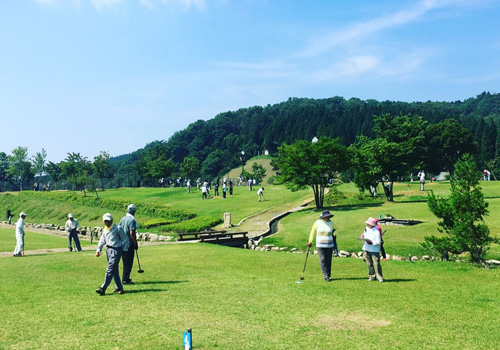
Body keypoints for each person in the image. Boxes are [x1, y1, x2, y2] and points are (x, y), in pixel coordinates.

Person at [95, 213, 129, 295]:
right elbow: (102, 240)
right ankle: (119, 288)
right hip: (108, 250)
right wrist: (98, 249)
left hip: (116, 250)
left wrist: (124, 249)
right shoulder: (105, 229)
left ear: (112, 220)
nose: (107, 223)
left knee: (110, 269)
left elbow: (125, 239)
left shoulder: (118, 228)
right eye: (105, 221)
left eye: (108, 221)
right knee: (114, 270)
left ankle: (103, 287)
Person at [308, 210, 339, 282]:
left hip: (329, 244)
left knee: (328, 260)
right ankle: (325, 276)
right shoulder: (317, 223)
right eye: (326, 216)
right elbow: (312, 232)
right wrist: (310, 241)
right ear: (323, 217)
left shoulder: (331, 223)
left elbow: (338, 228)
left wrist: (334, 233)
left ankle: (328, 274)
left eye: (328, 216)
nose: (327, 217)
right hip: (320, 244)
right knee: (323, 260)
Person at [360, 217, 384, 282]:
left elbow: (378, 241)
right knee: (369, 263)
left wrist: (372, 242)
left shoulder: (376, 231)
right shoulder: (366, 229)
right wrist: (362, 238)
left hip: (374, 250)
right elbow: (364, 237)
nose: (367, 224)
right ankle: (372, 276)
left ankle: (380, 277)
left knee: (376, 264)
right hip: (366, 248)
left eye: (368, 223)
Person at [120, 204, 138, 285]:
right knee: (129, 262)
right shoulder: (132, 220)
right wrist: (135, 242)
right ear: (134, 211)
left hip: (122, 243)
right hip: (129, 243)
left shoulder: (122, 219)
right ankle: (125, 279)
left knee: (125, 261)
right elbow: (132, 232)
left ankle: (126, 277)